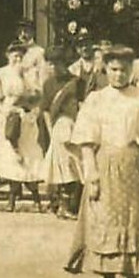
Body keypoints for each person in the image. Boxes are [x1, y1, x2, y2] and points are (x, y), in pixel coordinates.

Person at [70, 46, 139, 278]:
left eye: (124, 70)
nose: (119, 75)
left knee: (134, 220)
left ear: (132, 71)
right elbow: (86, 140)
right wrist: (91, 174)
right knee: (105, 219)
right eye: (114, 70)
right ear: (106, 70)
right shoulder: (97, 99)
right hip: (105, 164)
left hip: (132, 164)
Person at [0, 41, 47, 212]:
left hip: (26, 118)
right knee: (11, 157)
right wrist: (5, 112)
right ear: (8, 56)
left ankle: (36, 200)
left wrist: (30, 106)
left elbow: (37, 96)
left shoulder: (30, 75)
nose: (17, 59)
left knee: (29, 156)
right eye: (14, 55)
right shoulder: (0, 73)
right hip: (8, 117)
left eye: (20, 56)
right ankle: (12, 199)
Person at [43, 48, 85, 219]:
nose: (53, 67)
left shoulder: (76, 82)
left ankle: (71, 205)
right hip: (59, 128)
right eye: (50, 64)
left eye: (56, 63)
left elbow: (82, 106)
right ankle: (62, 205)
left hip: (74, 126)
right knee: (63, 167)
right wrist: (50, 129)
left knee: (76, 166)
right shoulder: (48, 84)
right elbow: (46, 109)